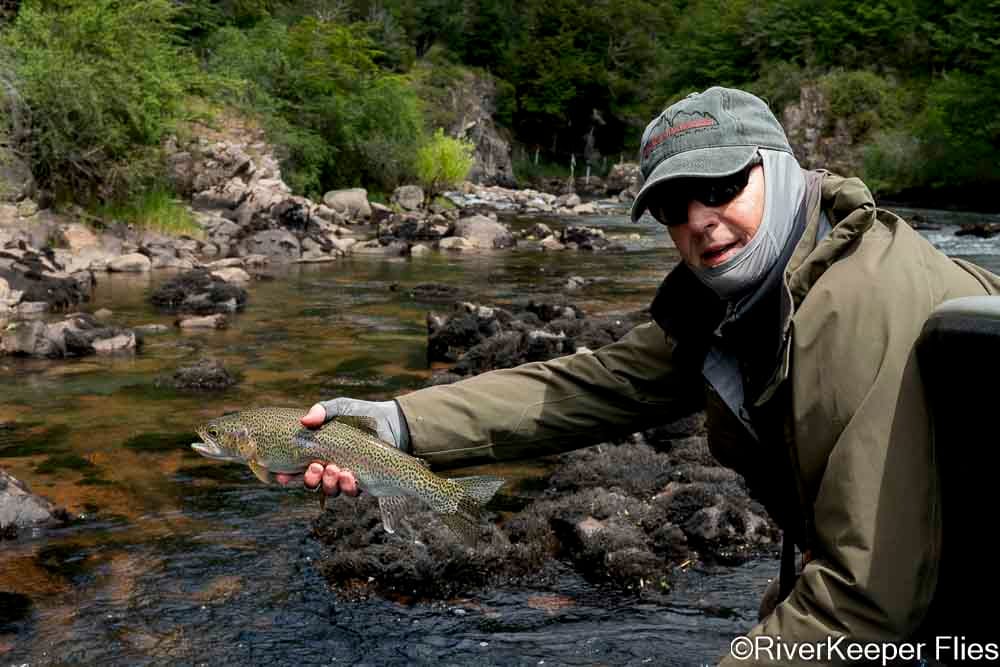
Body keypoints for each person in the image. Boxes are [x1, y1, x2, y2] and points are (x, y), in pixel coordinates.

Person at [277, 86, 1000, 665]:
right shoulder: (733, 300)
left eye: (720, 184)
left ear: (779, 168)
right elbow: (584, 386)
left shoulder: (857, 309)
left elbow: (869, 597)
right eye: (671, 205)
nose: (700, 221)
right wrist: (396, 424)